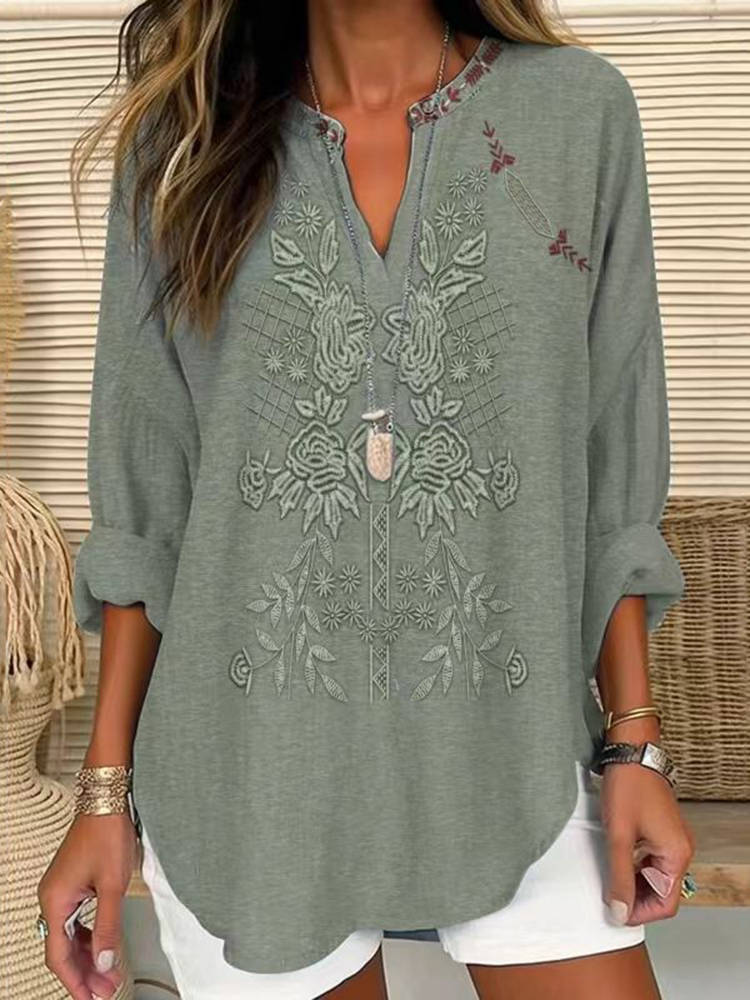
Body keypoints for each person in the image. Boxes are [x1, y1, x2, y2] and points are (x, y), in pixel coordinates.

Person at [36, 1, 696, 998]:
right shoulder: (183, 144)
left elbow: (611, 457)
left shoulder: (578, 115)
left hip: (512, 743)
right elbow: (150, 508)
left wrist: (634, 741)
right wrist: (103, 794)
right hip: (250, 770)